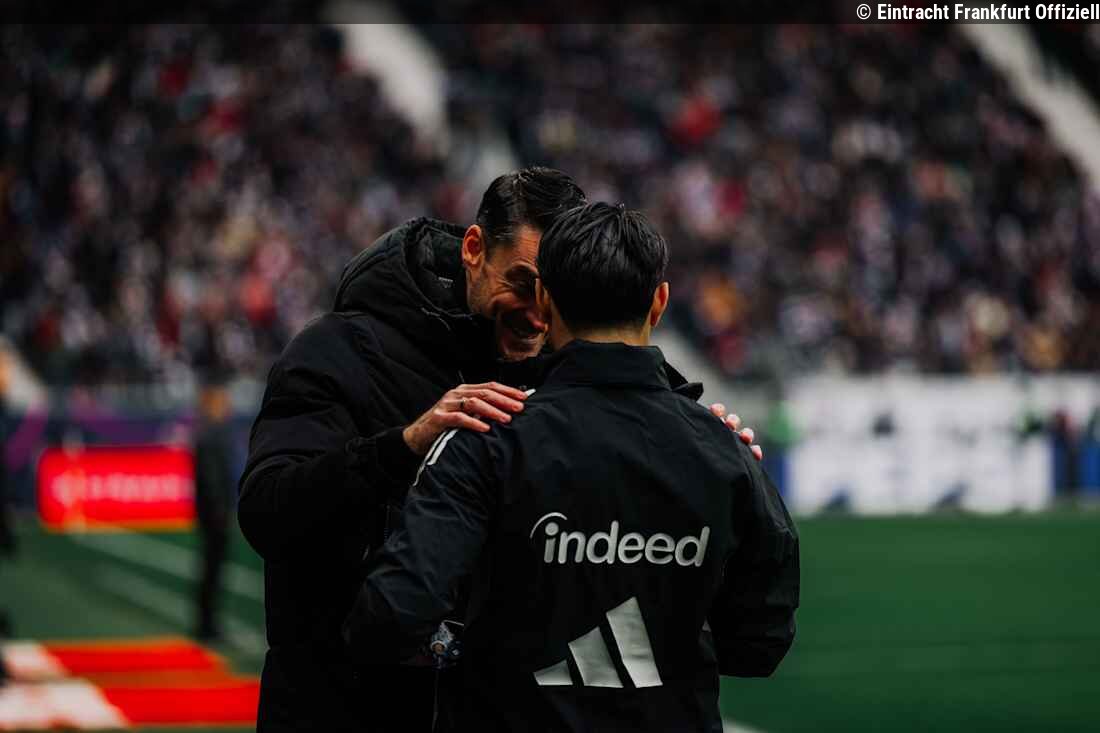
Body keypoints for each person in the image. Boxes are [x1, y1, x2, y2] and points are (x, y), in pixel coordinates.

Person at [238, 167, 763, 731]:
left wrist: (701, 446)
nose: (536, 314)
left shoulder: (577, 378)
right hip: (342, 710)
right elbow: (267, 511)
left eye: (551, 294)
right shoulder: (340, 350)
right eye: (521, 281)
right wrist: (405, 445)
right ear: (473, 249)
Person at [192, 374, 238, 642]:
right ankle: (207, 625)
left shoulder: (209, 432)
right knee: (212, 570)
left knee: (211, 569)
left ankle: (207, 622)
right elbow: (211, 479)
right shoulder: (211, 434)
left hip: (211, 512)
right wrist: (221, 510)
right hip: (214, 514)